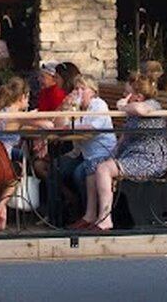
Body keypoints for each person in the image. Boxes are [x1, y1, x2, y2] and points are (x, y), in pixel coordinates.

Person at [79, 75, 167, 232]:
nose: (123, 96)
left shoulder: (153, 104)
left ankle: (105, 219)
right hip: (131, 156)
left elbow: (140, 109)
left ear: (138, 96)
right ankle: (90, 215)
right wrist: (112, 155)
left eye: (126, 93)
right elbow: (124, 138)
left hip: (149, 160)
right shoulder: (132, 111)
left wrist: (122, 106)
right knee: (93, 165)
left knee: (104, 169)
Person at [0, 77, 54, 230]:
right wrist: (33, 118)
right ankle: (0, 207)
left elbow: (20, 127)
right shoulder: (16, 115)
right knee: (19, 170)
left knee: (16, 160)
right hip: (1, 163)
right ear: (22, 97)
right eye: (28, 97)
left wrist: (30, 125)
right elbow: (48, 125)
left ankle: (0, 209)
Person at [63, 75, 117, 227]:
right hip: (85, 154)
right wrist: (66, 107)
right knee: (58, 166)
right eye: (76, 89)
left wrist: (70, 125)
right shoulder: (78, 108)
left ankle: (90, 215)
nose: (79, 92)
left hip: (104, 153)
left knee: (80, 172)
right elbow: (60, 124)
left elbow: (92, 128)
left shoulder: (98, 105)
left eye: (83, 88)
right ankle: (69, 215)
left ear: (93, 91)